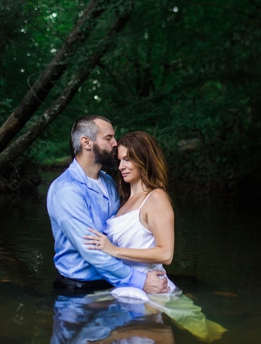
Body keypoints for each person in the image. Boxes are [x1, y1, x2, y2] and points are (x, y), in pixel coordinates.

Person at [82, 131, 226, 341]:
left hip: (151, 287)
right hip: (125, 283)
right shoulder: (124, 202)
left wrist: (112, 249)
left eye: (128, 159)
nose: (122, 166)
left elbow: (166, 254)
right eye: (120, 160)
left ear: (145, 159)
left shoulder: (156, 198)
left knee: (207, 334)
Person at [46, 115, 168, 296]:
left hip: (114, 281)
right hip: (80, 290)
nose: (115, 143)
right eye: (108, 138)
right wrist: (140, 280)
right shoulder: (67, 190)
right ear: (86, 142)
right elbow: (91, 251)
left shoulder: (109, 182)